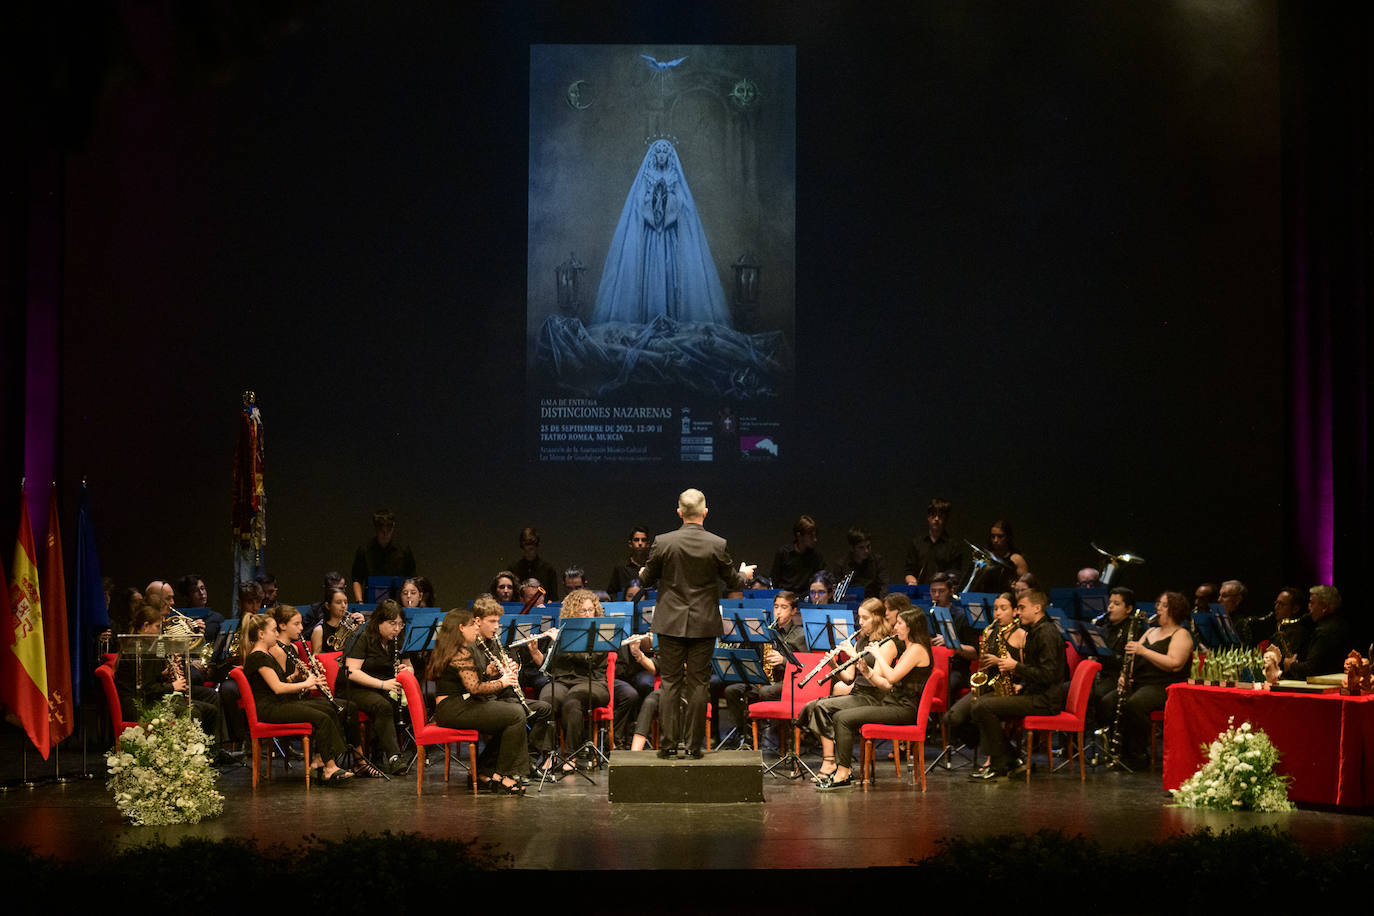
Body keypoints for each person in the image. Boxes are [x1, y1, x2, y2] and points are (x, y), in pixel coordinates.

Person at [637, 488, 754, 758]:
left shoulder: (663, 542)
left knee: (670, 683)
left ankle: (667, 746)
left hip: (669, 623)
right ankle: (692, 746)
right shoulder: (717, 544)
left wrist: (644, 570)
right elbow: (734, 581)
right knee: (699, 684)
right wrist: (745, 573)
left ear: (679, 512)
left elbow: (645, 579)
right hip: (703, 623)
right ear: (705, 512)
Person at [589, 138, 734, 327]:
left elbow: (683, 204)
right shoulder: (647, 176)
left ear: (670, 156)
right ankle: (649, 320)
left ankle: (671, 320)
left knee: (672, 274)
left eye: (666, 152)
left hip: (670, 237)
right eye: (659, 152)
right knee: (650, 274)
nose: (662, 155)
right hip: (651, 238)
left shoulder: (674, 177)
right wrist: (653, 202)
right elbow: (639, 202)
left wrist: (668, 202)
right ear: (653, 156)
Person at [820, 604, 934, 789]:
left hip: (904, 709)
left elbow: (892, 677)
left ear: (911, 626)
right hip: (892, 703)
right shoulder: (909, 648)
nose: (895, 627)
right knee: (838, 713)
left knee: (842, 718)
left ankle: (843, 773)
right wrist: (865, 670)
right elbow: (885, 685)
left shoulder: (917, 650)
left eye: (899, 623)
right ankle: (842, 770)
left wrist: (878, 654)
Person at [966, 589, 1067, 779]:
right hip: (1033, 693)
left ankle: (1001, 763)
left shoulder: (1046, 634)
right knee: (979, 704)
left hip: (1044, 700)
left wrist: (1015, 666)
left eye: (1022, 607)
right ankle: (1010, 759)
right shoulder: (1036, 631)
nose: (1018, 612)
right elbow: (1037, 670)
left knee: (983, 706)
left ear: (1037, 608)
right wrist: (1021, 686)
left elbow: (1049, 674)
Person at [241, 613, 352, 784]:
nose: (277, 634)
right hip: (270, 709)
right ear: (261, 634)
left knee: (328, 708)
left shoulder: (266, 654)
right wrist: (306, 683)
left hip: (278, 703)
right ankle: (329, 767)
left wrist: (295, 676)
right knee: (320, 717)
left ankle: (322, 760)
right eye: (273, 631)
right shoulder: (258, 657)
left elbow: (280, 682)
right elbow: (278, 689)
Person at [427, 607, 528, 795]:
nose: (476, 628)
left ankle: (485, 770)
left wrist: (488, 673)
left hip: (455, 706)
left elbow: (467, 682)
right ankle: (503, 775)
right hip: (454, 709)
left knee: (510, 715)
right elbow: (475, 688)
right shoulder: (460, 652)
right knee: (515, 715)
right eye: (472, 624)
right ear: (460, 628)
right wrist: (502, 681)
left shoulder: (454, 649)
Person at [796, 598, 897, 782]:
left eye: (865, 618)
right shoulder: (861, 642)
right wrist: (834, 664)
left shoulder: (887, 644)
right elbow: (849, 677)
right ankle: (831, 761)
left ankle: (831, 762)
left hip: (875, 698)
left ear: (877, 618)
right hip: (857, 693)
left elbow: (878, 680)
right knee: (814, 706)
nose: (860, 622)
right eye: (859, 617)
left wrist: (853, 655)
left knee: (822, 708)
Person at [1102, 591, 1193, 770]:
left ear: (1175, 610)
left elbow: (1174, 664)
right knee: (1108, 701)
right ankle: (1118, 750)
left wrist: (1144, 651)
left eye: (1164, 605)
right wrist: (1124, 676)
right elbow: (1133, 658)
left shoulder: (1181, 634)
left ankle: (1137, 755)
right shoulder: (1151, 631)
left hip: (1164, 686)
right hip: (1141, 683)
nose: (1158, 608)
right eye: (1158, 603)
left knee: (1135, 704)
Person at [524, 588, 609, 772]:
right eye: (582, 611)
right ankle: (547, 755)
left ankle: (571, 755)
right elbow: (548, 666)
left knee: (572, 701)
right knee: (548, 700)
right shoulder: (562, 631)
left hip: (593, 683)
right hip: (562, 681)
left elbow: (590, 661)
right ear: (572, 613)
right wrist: (535, 651)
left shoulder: (600, 633)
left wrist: (561, 641)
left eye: (590, 610)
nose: (588, 614)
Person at [721, 590, 808, 750]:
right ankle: (745, 734)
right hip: (764, 679)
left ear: (793, 611)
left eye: (784, 607)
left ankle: (776, 735)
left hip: (787, 682)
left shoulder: (800, 634)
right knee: (732, 691)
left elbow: (806, 665)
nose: (778, 611)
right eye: (776, 607)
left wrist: (783, 660)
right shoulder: (764, 631)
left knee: (765, 692)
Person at [944, 592, 1025, 760]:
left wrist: (1020, 683)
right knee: (952, 717)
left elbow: (1027, 667)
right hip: (989, 685)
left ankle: (994, 758)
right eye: (995, 609)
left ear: (1015, 611)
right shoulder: (990, 633)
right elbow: (983, 665)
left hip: (1011, 688)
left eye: (1003, 608)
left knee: (980, 711)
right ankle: (1008, 754)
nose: (998, 613)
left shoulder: (1022, 635)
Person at [336, 599, 408, 774]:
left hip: (377, 687)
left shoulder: (395, 639)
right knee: (381, 705)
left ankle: (378, 752)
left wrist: (406, 669)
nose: (397, 629)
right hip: (352, 689)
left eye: (400, 624)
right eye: (392, 624)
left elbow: (408, 664)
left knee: (401, 704)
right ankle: (394, 757)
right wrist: (383, 684)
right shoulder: (363, 636)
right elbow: (352, 672)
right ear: (379, 622)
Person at [1264, 585, 1353, 681]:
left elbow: (1310, 669)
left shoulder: (1324, 631)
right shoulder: (1340, 624)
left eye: (1312, 603)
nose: (1309, 607)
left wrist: (1290, 665)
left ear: (1324, 607)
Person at [350, 508, 417, 602]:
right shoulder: (364, 550)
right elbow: (357, 579)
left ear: (393, 527)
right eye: (381, 527)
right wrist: (360, 602)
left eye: (389, 527)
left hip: (399, 603)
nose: (385, 531)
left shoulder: (403, 550)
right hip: (371, 603)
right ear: (375, 527)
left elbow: (412, 579)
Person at [904, 498, 969, 587]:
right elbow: (909, 570)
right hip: (920, 591)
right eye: (933, 515)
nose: (937, 519)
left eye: (940, 516)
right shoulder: (917, 543)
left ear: (946, 518)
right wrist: (911, 581)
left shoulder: (953, 546)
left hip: (943, 593)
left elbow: (955, 573)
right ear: (928, 517)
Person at [770, 515, 826, 593]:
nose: (815, 539)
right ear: (799, 535)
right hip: (785, 599)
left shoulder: (817, 557)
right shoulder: (783, 553)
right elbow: (774, 579)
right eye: (811, 536)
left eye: (815, 535)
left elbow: (820, 581)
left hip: (806, 600)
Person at [829, 525, 887, 600]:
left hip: (873, 604)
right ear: (852, 548)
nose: (866, 551)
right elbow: (837, 591)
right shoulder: (841, 565)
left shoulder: (877, 561)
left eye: (868, 546)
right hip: (849, 605)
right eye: (861, 548)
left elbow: (884, 586)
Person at [310, 587, 362, 655]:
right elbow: (316, 657)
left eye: (345, 602)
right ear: (328, 605)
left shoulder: (352, 625)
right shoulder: (319, 630)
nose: (343, 606)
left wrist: (362, 625)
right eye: (338, 602)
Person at [513, 527, 560, 602]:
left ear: (538, 545)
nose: (530, 547)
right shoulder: (513, 569)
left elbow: (553, 597)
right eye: (527, 544)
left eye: (533, 544)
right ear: (522, 546)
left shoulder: (548, 569)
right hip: (519, 610)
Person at [606, 526, 652, 600]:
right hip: (626, 609)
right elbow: (612, 594)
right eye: (636, 540)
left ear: (648, 544)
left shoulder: (653, 566)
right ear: (630, 544)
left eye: (643, 540)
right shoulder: (621, 568)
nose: (640, 543)